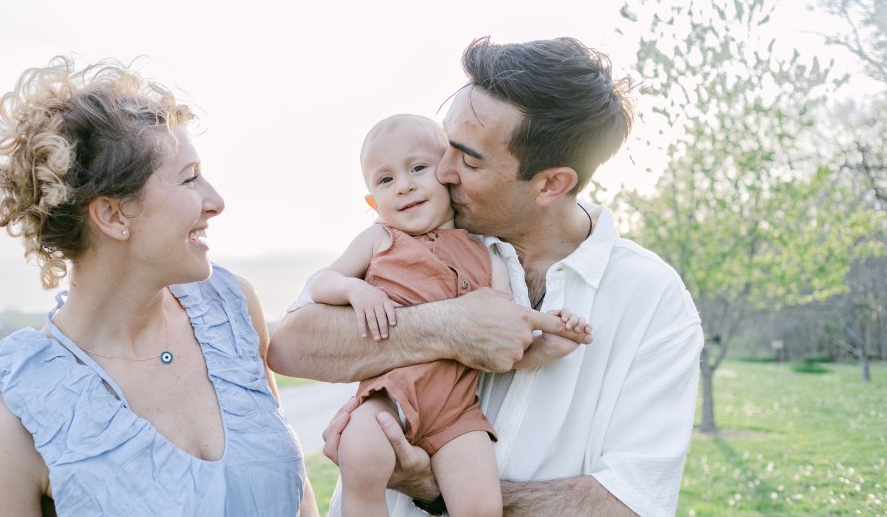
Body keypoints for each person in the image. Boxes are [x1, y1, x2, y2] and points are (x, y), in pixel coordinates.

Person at [268, 37, 704, 517]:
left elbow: (628, 502)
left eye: (469, 160)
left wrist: (432, 486)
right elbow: (290, 346)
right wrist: (449, 327)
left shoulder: (652, 300)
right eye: (444, 146)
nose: (442, 172)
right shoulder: (418, 233)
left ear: (550, 184)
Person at [0, 57, 318, 516]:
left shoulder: (233, 310)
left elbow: (296, 492)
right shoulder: (6, 423)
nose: (216, 202)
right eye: (189, 179)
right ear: (112, 215)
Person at [311, 114, 590, 517]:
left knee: (480, 503)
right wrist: (355, 288)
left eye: (418, 168)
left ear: (447, 177)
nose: (403, 185)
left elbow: (506, 340)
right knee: (360, 454)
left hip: (455, 411)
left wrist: (550, 345)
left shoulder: (487, 255)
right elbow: (323, 281)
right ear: (373, 202)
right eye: (385, 180)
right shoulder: (379, 240)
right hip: (389, 396)